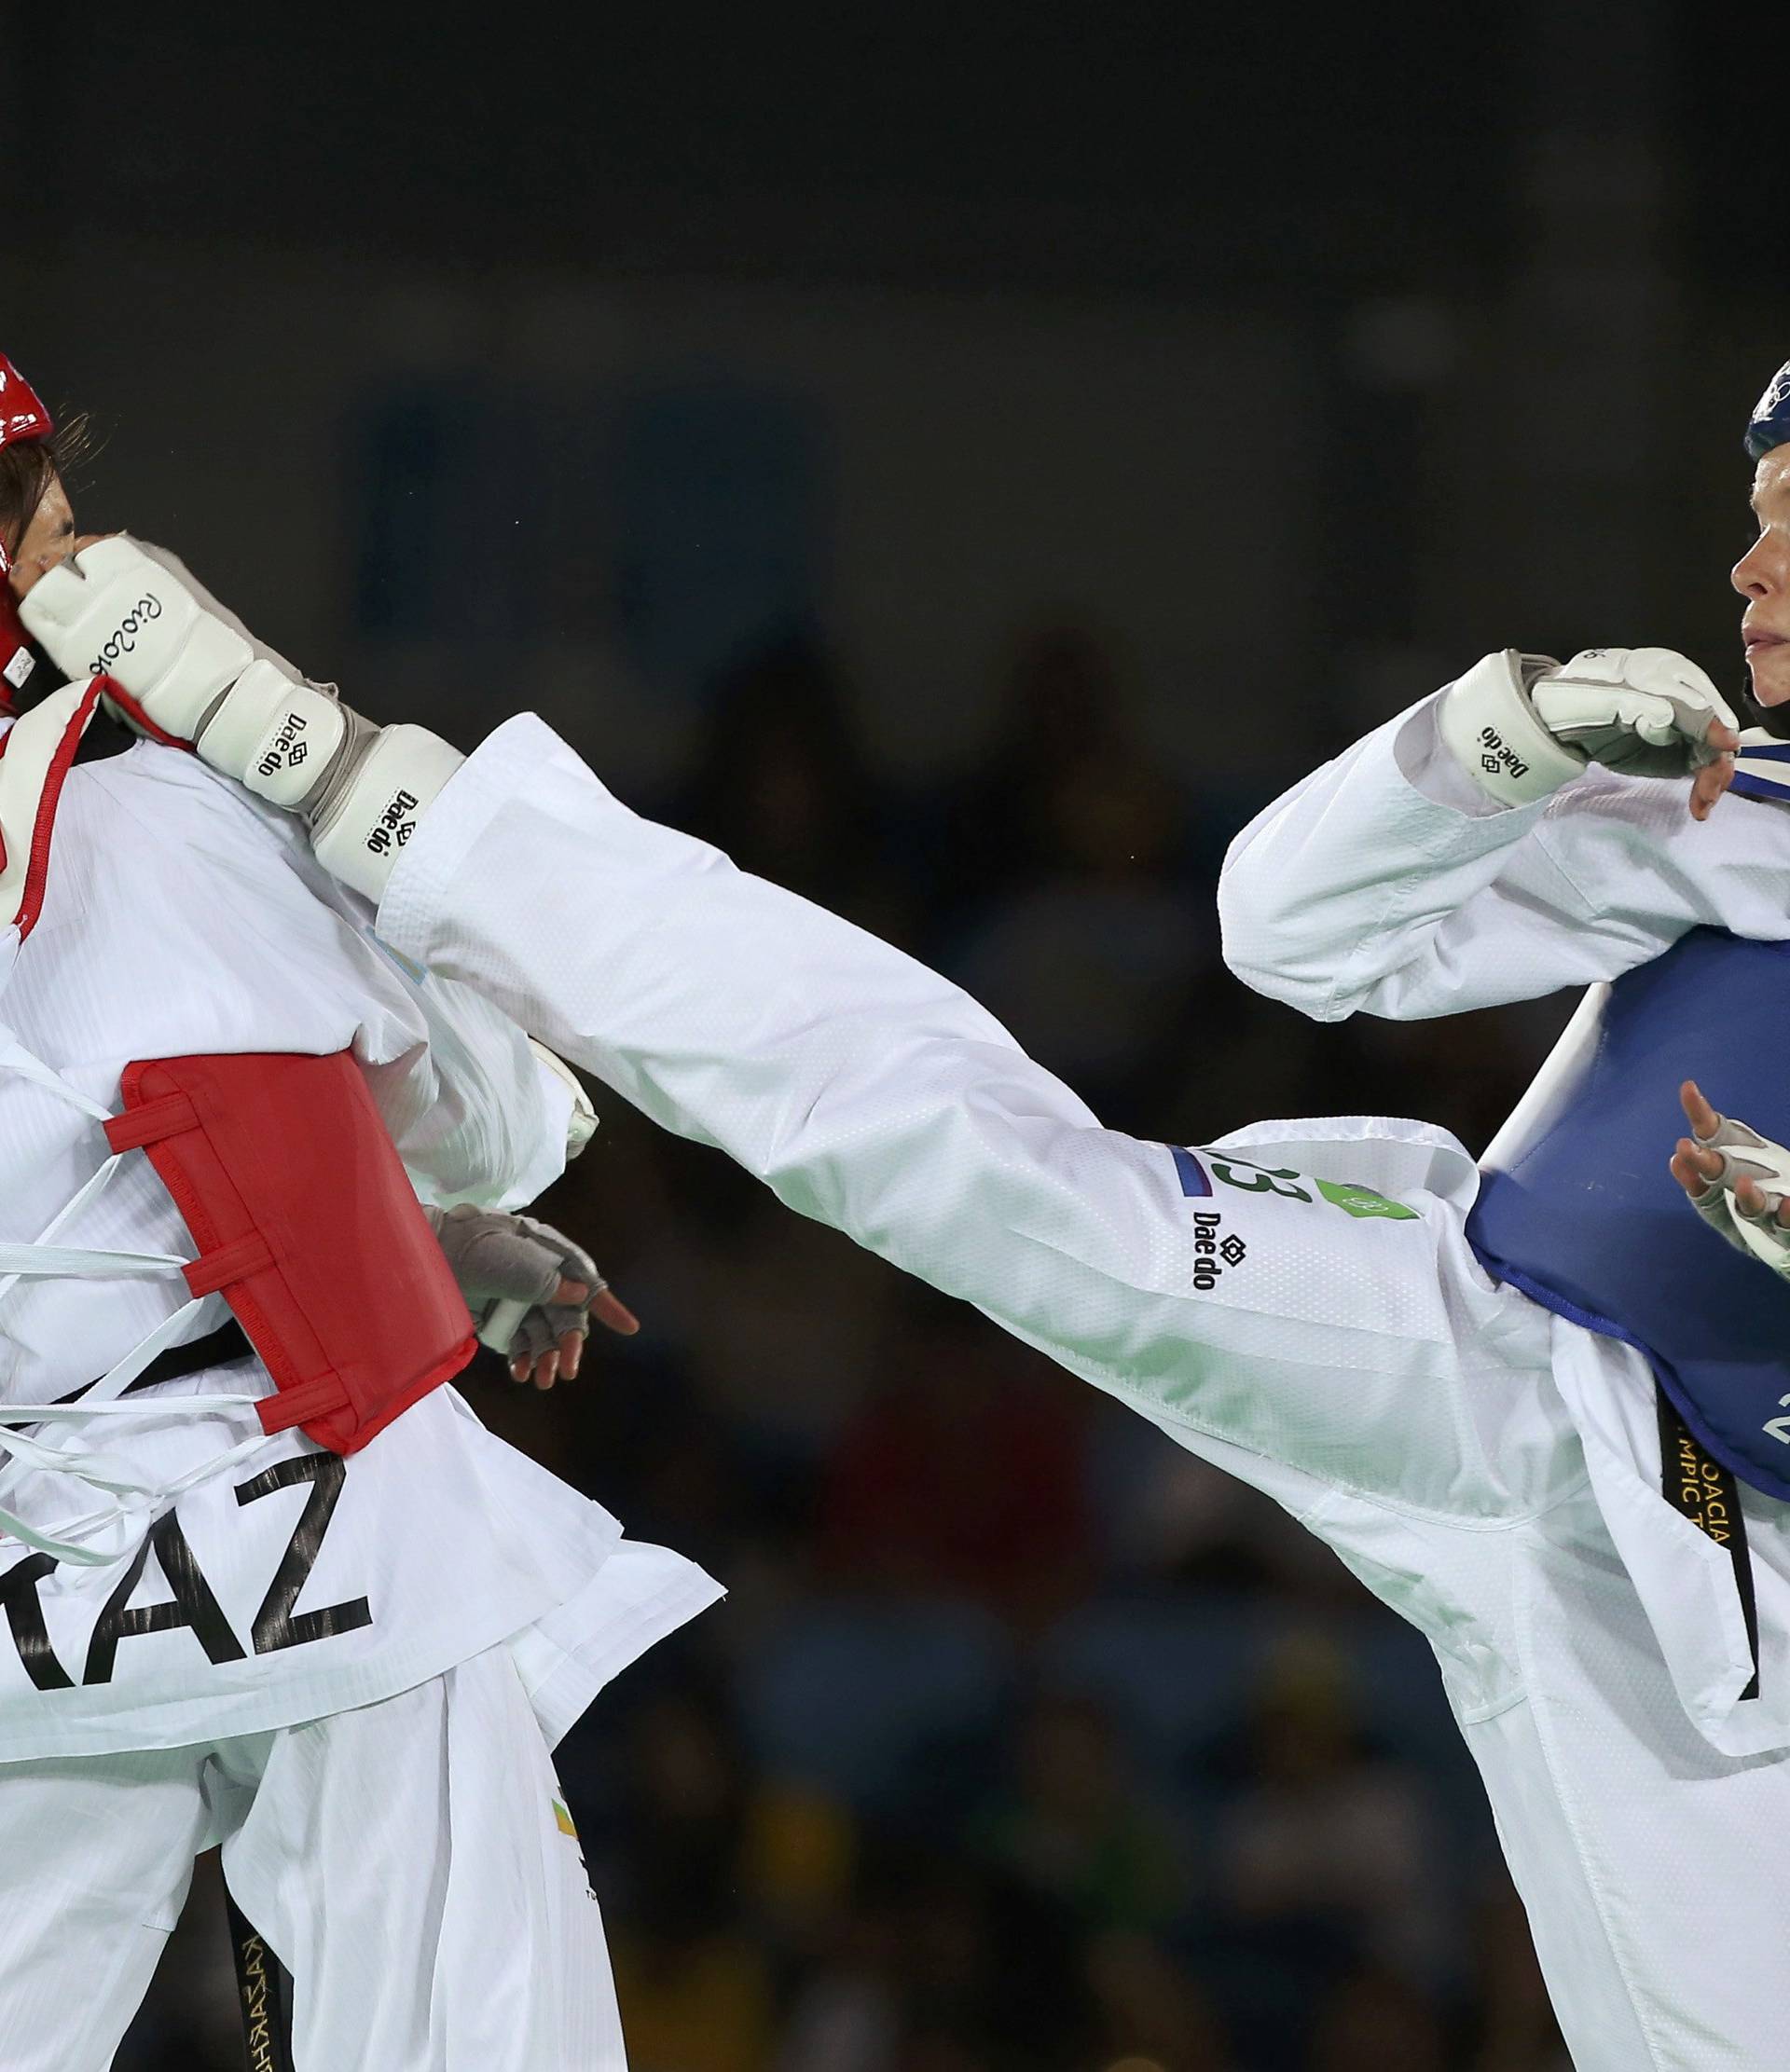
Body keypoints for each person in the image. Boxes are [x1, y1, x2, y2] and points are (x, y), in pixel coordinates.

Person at [37, 362, 1790, 2069]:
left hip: (1742, 1595)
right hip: (1504, 1357)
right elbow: (1290, 930)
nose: (1746, 570)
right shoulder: (1744, 803)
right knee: (998, 1180)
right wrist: (1492, 744)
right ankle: (384, 795)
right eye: (1756, 517)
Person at [0, 358, 723, 2071]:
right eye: (32, 497)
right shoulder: (152, 815)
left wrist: (403, 1233)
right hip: (319, 1514)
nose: (69, 529)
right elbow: (506, 1100)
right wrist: (284, 755)